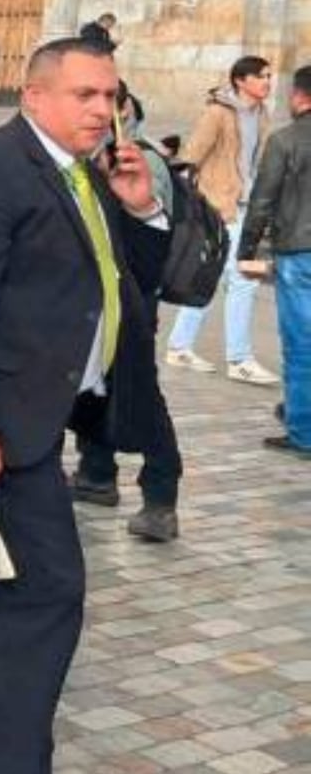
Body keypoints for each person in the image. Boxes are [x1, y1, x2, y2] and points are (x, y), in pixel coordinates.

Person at [0, 37, 168, 774]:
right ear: (36, 96)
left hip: (39, 404)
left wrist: (141, 211)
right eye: (85, 95)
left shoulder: (87, 176)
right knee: (50, 586)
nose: (102, 110)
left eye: (110, 96)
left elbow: (133, 284)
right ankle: (6, 755)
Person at [67, 81, 186, 542]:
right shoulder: (79, 162)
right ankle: (96, 474)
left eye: (105, 102)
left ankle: (160, 496)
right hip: (94, 308)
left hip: (133, 302)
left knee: (142, 398)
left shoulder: (138, 159)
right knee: (92, 389)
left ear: (123, 109)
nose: (95, 112)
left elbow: (152, 240)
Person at [165, 56, 280, 385]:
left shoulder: (261, 114)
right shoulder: (218, 113)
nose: (268, 82)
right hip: (218, 205)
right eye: (262, 77)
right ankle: (239, 359)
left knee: (208, 277)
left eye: (270, 77)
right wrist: (192, 206)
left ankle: (179, 346)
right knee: (242, 278)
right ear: (241, 80)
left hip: (246, 205)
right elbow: (192, 156)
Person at [237, 64, 311, 458]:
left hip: (299, 253)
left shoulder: (285, 140)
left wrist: (246, 250)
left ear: (300, 97)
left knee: (302, 347)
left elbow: (262, 200)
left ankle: (302, 430)